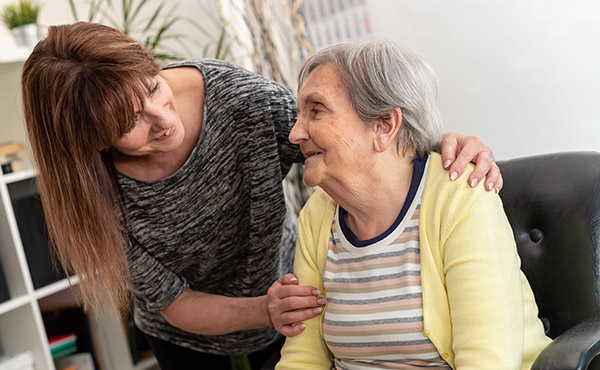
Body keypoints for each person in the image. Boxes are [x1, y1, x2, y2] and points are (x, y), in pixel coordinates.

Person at [21, 22, 503, 370]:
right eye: (131, 124)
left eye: (154, 87)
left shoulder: (239, 101)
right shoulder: (93, 190)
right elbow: (174, 301)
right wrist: (264, 309)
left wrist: (445, 145)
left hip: (288, 314)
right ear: (95, 144)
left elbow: (346, 134)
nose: (163, 119)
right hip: (190, 338)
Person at [276, 39, 551, 370]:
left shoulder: (458, 198)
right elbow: (302, 358)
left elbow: (487, 362)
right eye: (299, 114)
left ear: (384, 125)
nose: (294, 133)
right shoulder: (317, 215)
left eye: (316, 110)